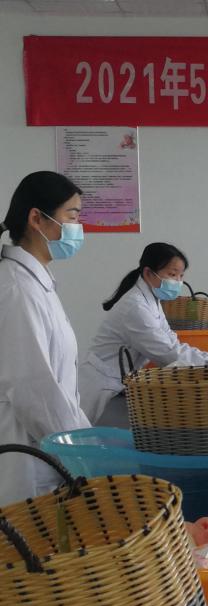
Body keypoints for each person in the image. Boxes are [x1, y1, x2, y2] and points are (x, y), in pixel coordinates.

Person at [0, 171, 91, 506]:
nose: (78, 228)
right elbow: (31, 387)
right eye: (72, 216)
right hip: (27, 458)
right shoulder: (16, 288)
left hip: (46, 447)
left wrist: (86, 440)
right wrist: (79, 451)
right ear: (36, 218)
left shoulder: (36, 283)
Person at [78, 243, 208, 422]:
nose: (178, 282)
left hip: (115, 383)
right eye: (172, 274)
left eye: (181, 276)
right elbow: (168, 354)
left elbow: (172, 343)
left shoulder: (152, 301)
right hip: (100, 385)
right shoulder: (135, 307)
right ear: (148, 273)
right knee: (80, 434)